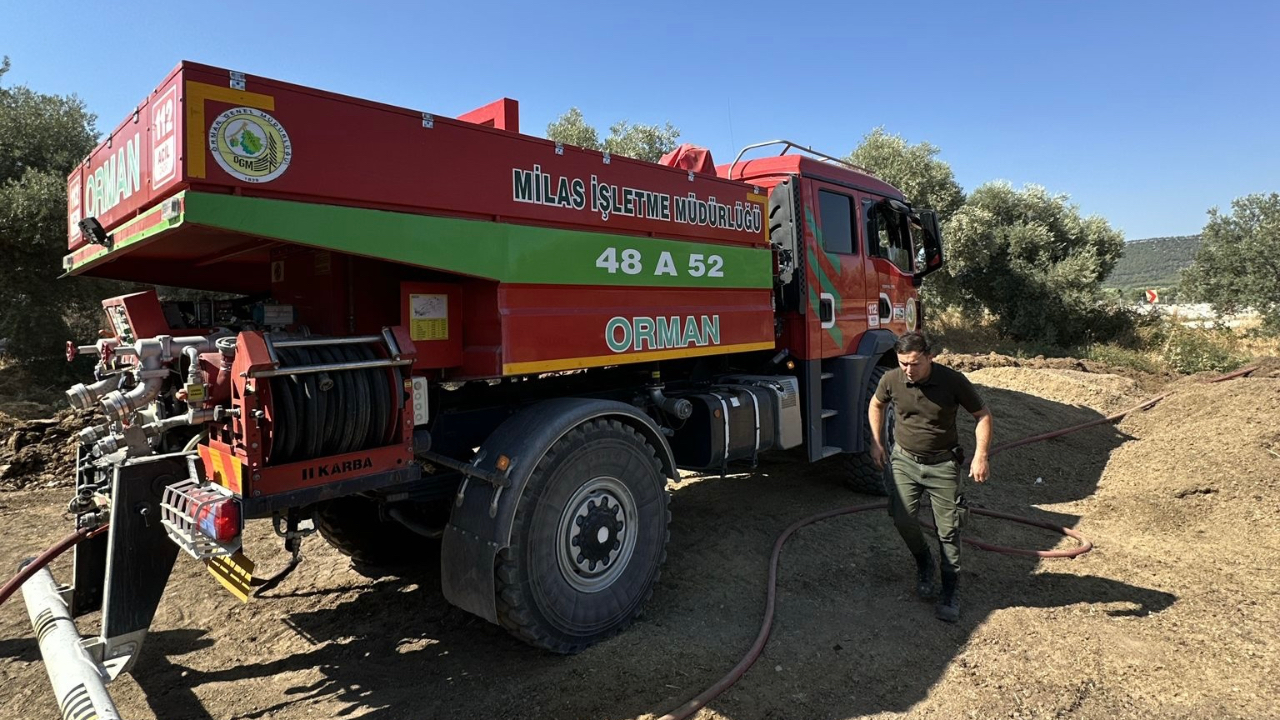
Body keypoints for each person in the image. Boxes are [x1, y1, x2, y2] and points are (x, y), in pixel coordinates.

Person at [867, 331, 993, 622]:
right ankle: (924, 560)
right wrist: (876, 442)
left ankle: (949, 589)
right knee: (902, 517)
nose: (908, 370)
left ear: (930, 357)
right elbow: (876, 404)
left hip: (942, 465)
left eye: (915, 363)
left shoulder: (952, 381)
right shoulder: (892, 379)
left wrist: (981, 455)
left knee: (948, 530)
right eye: (903, 363)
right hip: (904, 461)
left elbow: (983, 415)